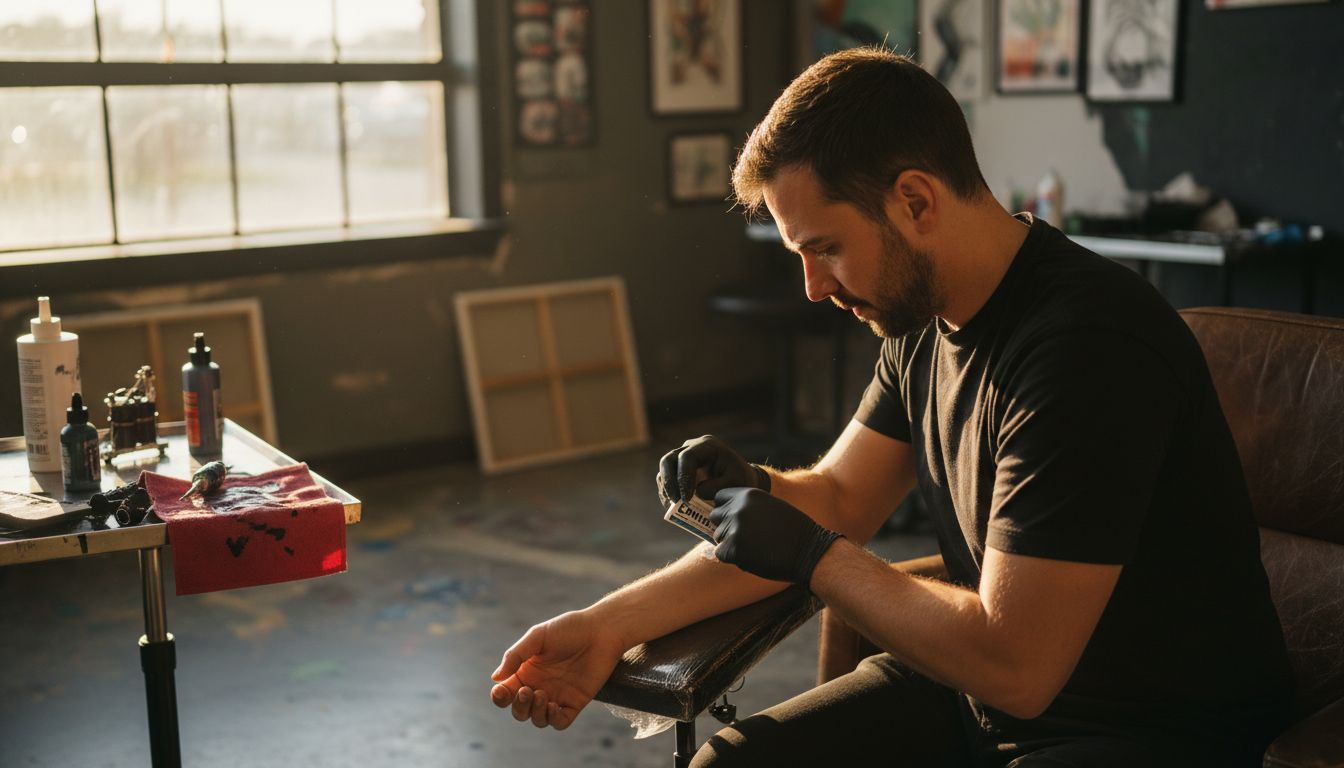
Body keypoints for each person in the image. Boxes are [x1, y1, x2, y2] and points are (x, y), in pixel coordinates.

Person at [489, 47, 1292, 767]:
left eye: (825, 248)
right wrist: (615, 616)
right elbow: (838, 496)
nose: (814, 287)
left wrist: (812, 555)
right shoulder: (925, 317)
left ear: (915, 201)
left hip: (1147, 731)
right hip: (978, 699)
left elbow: (1018, 665)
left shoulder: (1087, 347)